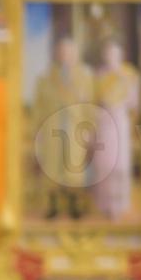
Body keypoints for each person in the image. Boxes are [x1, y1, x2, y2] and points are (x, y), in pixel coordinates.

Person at [31, 33, 96, 220]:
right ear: (57, 54)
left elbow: (90, 107)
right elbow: (38, 107)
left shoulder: (84, 77)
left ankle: (75, 206)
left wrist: (90, 130)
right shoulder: (45, 79)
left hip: (75, 130)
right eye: (62, 52)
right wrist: (38, 132)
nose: (65, 55)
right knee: (53, 169)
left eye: (69, 52)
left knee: (73, 170)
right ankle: (53, 206)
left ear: (75, 54)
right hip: (52, 130)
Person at [90, 38, 140, 222]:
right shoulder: (100, 76)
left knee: (120, 164)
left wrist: (120, 107)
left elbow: (134, 104)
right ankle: (105, 205)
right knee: (104, 163)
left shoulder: (129, 75)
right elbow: (93, 102)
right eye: (108, 53)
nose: (111, 57)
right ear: (105, 55)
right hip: (103, 122)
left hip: (120, 121)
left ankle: (119, 205)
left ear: (121, 55)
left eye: (115, 53)